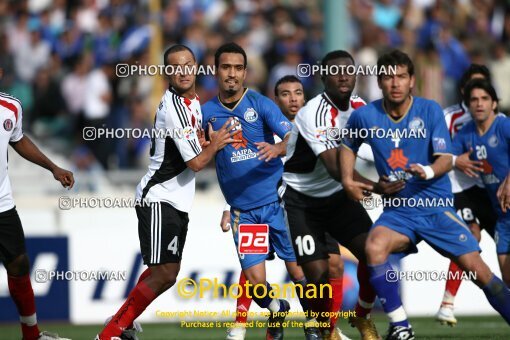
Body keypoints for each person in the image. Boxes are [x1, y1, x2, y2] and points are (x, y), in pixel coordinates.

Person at [340, 49, 510, 340]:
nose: (395, 83)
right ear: (379, 82)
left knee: (482, 275)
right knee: (374, 247)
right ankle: (401, 325)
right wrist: (347, 179)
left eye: (401, 77)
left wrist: (428, 171)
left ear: (412, 81)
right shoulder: (365, 116)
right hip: (399, 212)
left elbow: (446, 158)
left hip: (437, 208)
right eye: (388, 77)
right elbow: (347, 146)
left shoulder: (429, 110)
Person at [97, 45, 238, 339]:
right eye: (175, 67)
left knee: (164, 273)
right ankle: (111, 332)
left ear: (196, 66)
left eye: (187, 64)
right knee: (165, 274)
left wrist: (205, 140)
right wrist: (218, 141)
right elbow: (197, 163)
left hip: (176, 199)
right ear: (168, 73)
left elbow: (193, 149)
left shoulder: (193, 103)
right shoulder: (174, 108)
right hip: (159, 197)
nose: (183, 71)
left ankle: (122, 323)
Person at [221, 75, 349, 340]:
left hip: (314, 204)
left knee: (328, 266)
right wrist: (228, 204)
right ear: (275, 99)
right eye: (285, 94)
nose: (293, 99)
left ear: (305, 96)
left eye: (298, 93)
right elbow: (241, 165)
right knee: (255, 266)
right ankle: (242, 322)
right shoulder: (263, 123)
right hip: (272, 204)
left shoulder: (318, 122)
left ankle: (324, 326)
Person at [202, 42, 304, 340]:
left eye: (237, 68)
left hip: (277, 203)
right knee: (257, 285)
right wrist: (209, 148)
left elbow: (292, 136)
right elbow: (197, 156)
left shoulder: (260, 104)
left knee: (299, 273)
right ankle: (277, 308)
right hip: (244, 213)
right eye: (225, 67)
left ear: (245, 72)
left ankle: (320, 328)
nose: (231, 74)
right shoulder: (206, 112)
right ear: (215, 71)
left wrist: (277, 147)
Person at [280, 51, 383, 340]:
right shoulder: (312, 112)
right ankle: (325, 331)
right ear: (323, 77)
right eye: (335, 71)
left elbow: (381, 149)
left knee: (375, 254)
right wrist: (380, 187)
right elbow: (337, 168)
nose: (343, 75)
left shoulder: (362, 109)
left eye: (348, 70)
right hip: (301, 200)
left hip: (337, 196)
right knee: (319, 276)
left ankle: (362, 318)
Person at [0, 67, 75, 340]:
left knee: (19, 263)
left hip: (2, 204)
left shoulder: (10, 107)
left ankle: (30, 334)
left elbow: (18, 140)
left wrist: (53, 167)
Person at [436, 64, 499, 326]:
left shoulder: (497, 121)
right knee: (470, 235)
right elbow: (434, 152)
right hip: (458, 189)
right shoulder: (448, 117)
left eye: (484, 88)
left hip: (488, 189)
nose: (479, 95)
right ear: (463, 91)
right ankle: (448, 303)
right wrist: (454, 161)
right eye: (474, 88)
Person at [453, 79, 510, 289]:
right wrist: (454, 160)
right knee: (507, 280)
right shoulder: (466, 134)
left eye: (485, 99)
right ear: (468, 105)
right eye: (474, 99)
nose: (479, 104)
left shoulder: (503, 125)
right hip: (503, 218)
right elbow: (445, 157)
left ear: (494, 103)